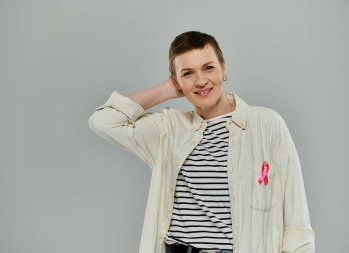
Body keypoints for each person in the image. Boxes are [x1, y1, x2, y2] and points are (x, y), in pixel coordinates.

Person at [88, 31, 315, 253]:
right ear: (176, 80)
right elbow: (104, 121)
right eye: (188, 73)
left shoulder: (267, 125)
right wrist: (165, 91)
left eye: (208, 68)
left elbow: (297, 222)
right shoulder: (170, 128)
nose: (201, 80)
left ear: (223, 69)